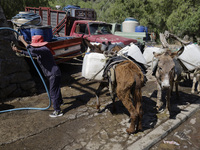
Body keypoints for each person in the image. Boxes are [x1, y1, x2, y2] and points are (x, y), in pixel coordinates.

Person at [12, 35, 63, 118]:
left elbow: (31, 49)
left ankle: (57, 111)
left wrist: (22, 40)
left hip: (53, 73)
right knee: (56, 89)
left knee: (53, 92)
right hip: (53, 73)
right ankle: (60, 102)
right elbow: (31, 53)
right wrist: (19, 51)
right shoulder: (41, 51)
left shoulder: (44, 49)